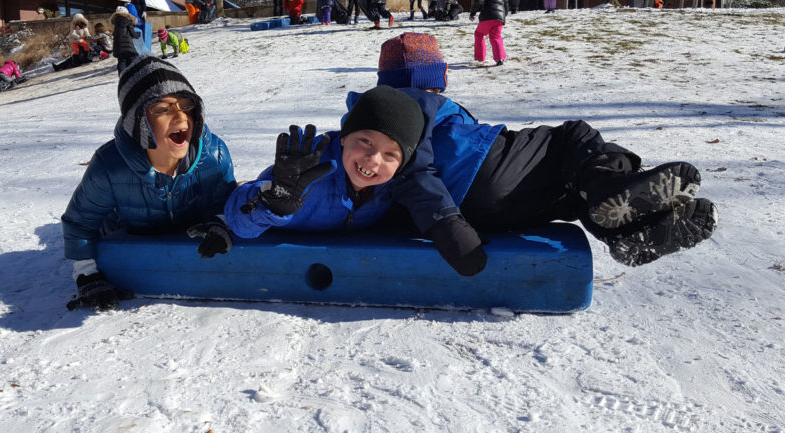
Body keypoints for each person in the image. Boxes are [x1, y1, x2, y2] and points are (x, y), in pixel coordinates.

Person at [222, 33, 717, 273]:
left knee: (568, 191)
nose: (373, 157)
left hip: (483, 207)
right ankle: (613, 196)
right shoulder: (408, 109)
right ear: (436, 78)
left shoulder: (371, 135)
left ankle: (631, 227)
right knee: (573, 140)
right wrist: (448, 229)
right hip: (477, 181)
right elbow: (414, 170)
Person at [61, 57, 237, 311]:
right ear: (137, 122)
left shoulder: (214, 155)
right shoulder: (110, 166)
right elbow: (81, 220)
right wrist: (87, 273)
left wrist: (220, 223)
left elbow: (226, 200)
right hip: (128, 229)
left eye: (186, 105)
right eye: (162, 109)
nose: (180, 116)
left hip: (189, 229)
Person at [111, 6, 142, 74]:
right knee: (132, 59)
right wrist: (137, 35)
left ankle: (122, 75)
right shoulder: (127, 20)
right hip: (127, 45)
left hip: (118, 47)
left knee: (122, 61)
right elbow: (132, 33)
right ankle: (132, 75)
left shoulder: (116, 23)